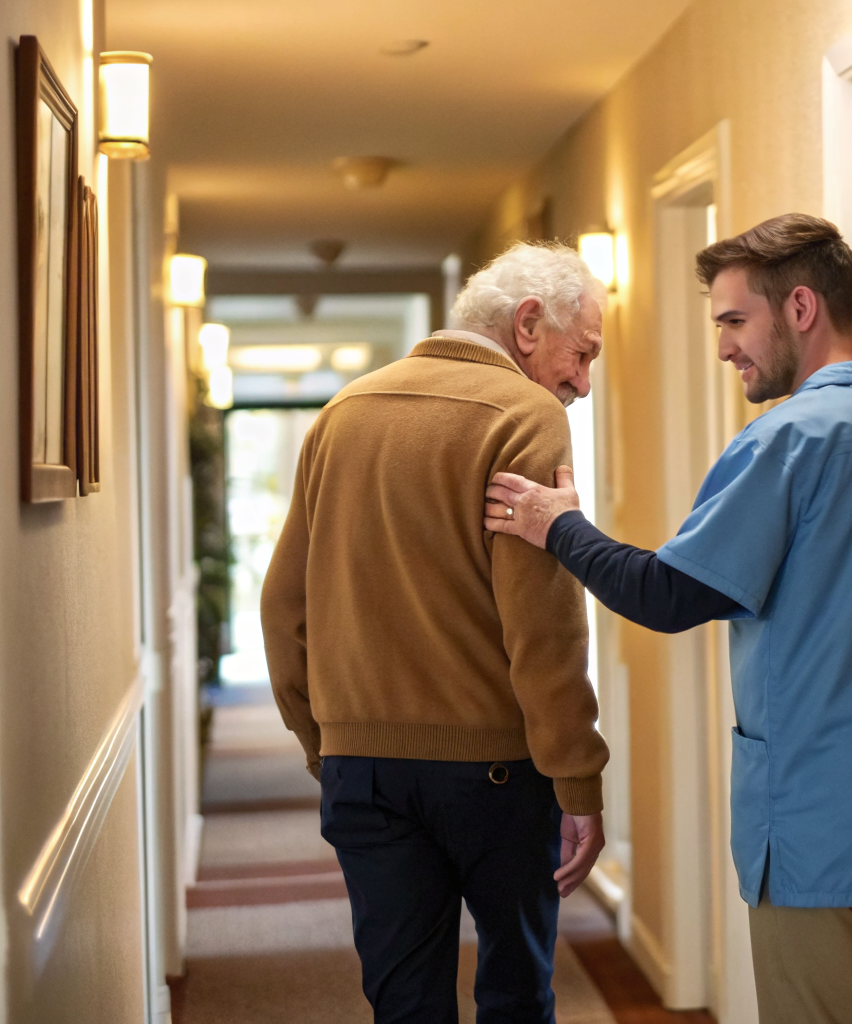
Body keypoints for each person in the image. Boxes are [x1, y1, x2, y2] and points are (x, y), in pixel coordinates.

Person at [485, 214, 852, 1024]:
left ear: (800, 308)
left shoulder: (788, 442)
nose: (724, 346)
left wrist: (559, 526)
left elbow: (666, 595)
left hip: (825, 832)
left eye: (733, 321)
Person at [262, 241, 610, 1024]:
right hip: (497, 773)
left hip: (365, 772)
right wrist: (577, 778)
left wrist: (326, 742)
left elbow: (283, 608)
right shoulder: (527, 416)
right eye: (581, 354)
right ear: (527, 324)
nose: (581, 383)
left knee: (403, 1001)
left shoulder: (341, 413)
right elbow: (544, 630)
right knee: (516, 994)